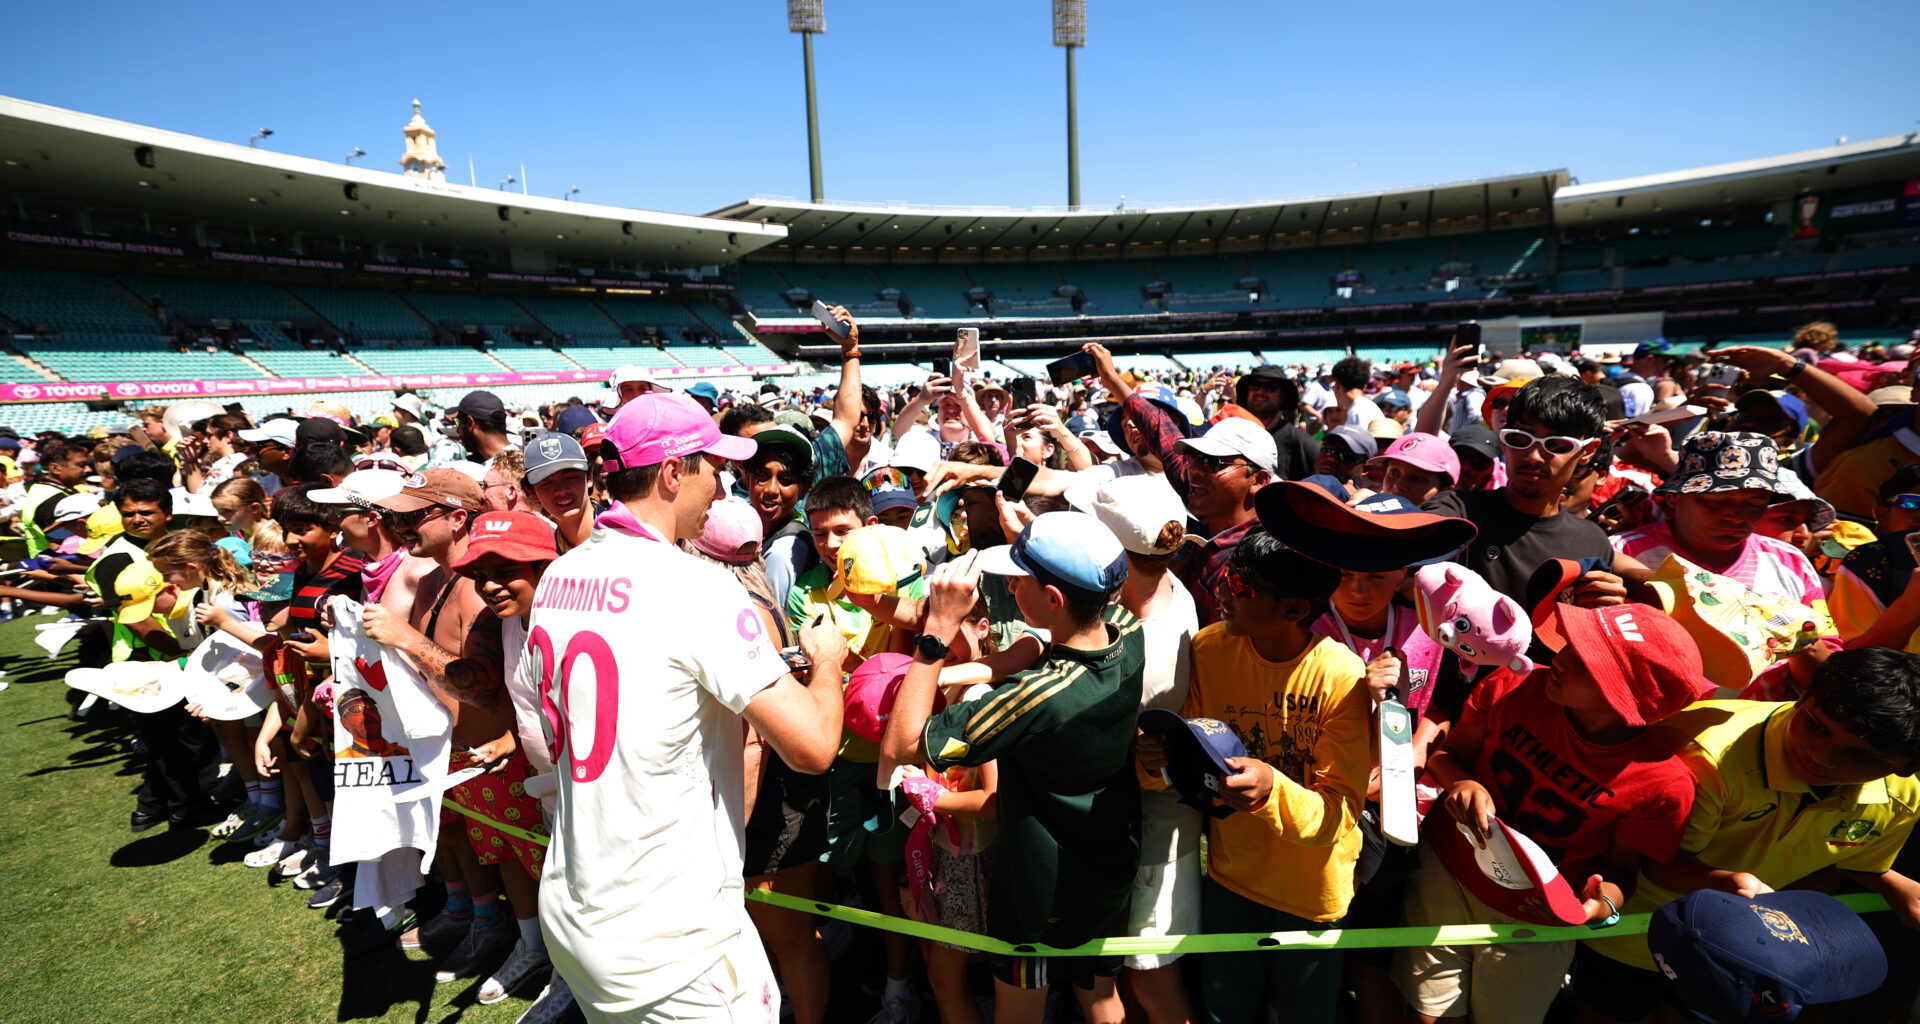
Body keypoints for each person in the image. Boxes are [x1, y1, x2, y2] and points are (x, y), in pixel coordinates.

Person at [528, 390, 847, 1021]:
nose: (723, 489)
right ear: (674, 472)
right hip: (670, 931)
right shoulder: (697, 586)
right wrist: (829, 662)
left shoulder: (559, 575)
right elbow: (812, 746)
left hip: (577, 899)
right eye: (715, 469)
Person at [881, 513, 1143, 1024]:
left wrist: (936, 634)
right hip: (1109, 867)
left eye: (1020, 580)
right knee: (1100, 999)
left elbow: (904, 743)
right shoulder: (1126, 633)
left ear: (1054, 599)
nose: (1010, 587)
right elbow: (1045, 647)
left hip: (1038, 895)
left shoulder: (1036, 699)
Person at [1575, 648, 1920, 1024]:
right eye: (1817, 727)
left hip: (1740, 955)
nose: (1822, 756)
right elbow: (1651, 863)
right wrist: (1729, 884)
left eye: (1861, 755)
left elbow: (1830, 863)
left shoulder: (1903, 800)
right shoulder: (1705, 756)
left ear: (1908, 766)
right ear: (1804, 697)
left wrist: (1890, 883)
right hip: (1632, 935)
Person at [1399, 603, 1705, 1024]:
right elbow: (1447, 754)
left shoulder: (1663, 784)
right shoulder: (1514, 683)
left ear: (1625, 697)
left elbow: (1621, 870)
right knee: (1429, 1015)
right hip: (1448, 870)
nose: (1559, 659)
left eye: (1584, 661)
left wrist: (1597, 908)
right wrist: (1462, 783)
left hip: (1537, 918)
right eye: (1570, 645)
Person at [1139, 528, 1370, 1024]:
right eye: (1227, 576)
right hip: (1232, 879)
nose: (1223, 590)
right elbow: (1185, 765)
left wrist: (1271, 789)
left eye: (1242, 587)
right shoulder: (1210, 649)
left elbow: (1339, 813)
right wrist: (1156, 760)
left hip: (1312, 895)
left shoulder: (1342, 678)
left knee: (1305, 1016)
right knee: (1225, 1011)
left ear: (1294, 609)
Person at [1091, 476, 1201, 1024]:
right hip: (1149, 823)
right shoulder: (1170, 589)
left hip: (1152, 830)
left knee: (1152, 977)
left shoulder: (1145, 646)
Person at [1423, 376, 1640, 609]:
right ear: (1504, 441)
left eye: (1556, 445)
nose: (1534, 456)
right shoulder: (1459, 513)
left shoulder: (1592, 541)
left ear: (1587, 452)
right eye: (1520, 439)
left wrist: (1603, 609)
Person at [1232, 365, 1320, 480]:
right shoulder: (1232, 434)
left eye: (1270, 387)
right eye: (1255, 385)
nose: (1260, 392)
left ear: (1282, 396)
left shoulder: (1300, 442)